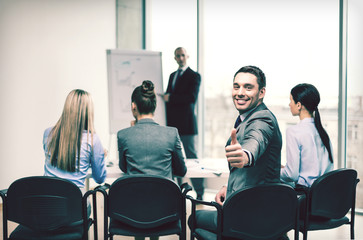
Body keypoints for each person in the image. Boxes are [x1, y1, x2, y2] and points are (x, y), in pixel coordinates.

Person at [189, 65, 282, 234]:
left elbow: (255, 141)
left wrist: (245, 156)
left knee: (192, 217)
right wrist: (229, 187)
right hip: (258, 208)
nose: (240, 92)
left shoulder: (262, 119)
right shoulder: (247, 118)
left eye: (248, 87)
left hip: (250, 214)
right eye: (236, 86)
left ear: (261, 92)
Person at [118, 80, 187, 240]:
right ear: (155, 106)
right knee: (155, 203)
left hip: (132, 210)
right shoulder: (172, 133)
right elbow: (181, 170)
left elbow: (123, 167)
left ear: (133, 106)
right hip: (165, 209)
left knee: (140, 205)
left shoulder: (123, 135)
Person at [43, 89, 107, 191]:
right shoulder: (92, 140)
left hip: (47, 201)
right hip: (74, 204)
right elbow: (100, 178)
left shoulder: (48, 133)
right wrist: (99, 157)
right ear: (88, 111)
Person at [163, 47, 204, 200]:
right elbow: (168, 97)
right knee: (175, 158)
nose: (180, 58)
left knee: (192, 158)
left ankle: (199, 192)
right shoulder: (172, 75)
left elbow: (191, 98)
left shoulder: (194, 76)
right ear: (174, 58)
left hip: (187, 125)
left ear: (187, 56)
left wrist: (171, 98)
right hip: (172, 125)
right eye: (177, 56)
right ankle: (179, 191)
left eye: (182, 55)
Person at [281, 83, 334, 188]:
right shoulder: (322, 131)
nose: (289, 104)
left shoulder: (293, 131)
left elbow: (292, 175)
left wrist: (274, 171)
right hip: (324, 195)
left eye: (291, 100)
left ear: (299, 105)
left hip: (305, 195)